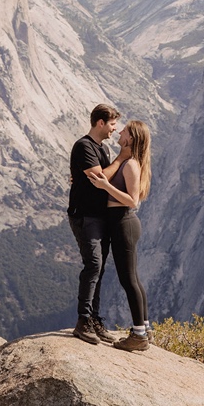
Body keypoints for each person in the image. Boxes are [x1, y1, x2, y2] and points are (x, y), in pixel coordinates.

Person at [89, 118, 152, 352]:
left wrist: (106, 187)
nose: (119, 133)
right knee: (132, 278)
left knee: (128, 280)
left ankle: (138, 335)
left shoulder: (131, 165)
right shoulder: (127, 161)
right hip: (120, 222)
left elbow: (132, 200)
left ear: (131, 138)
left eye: (123, 131)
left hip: (123, 222)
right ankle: (145, 329)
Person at [67, 102, 119, 344]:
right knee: (93, 265)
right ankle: (83, 321)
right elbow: (100, 178)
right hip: (85, 215)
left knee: (99, 268)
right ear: (100, 123)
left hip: (99, 216)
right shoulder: (84, 146)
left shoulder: (102, 148)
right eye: (112, 124)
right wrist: (123, 158)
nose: (114, 129)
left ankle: (94, 319)